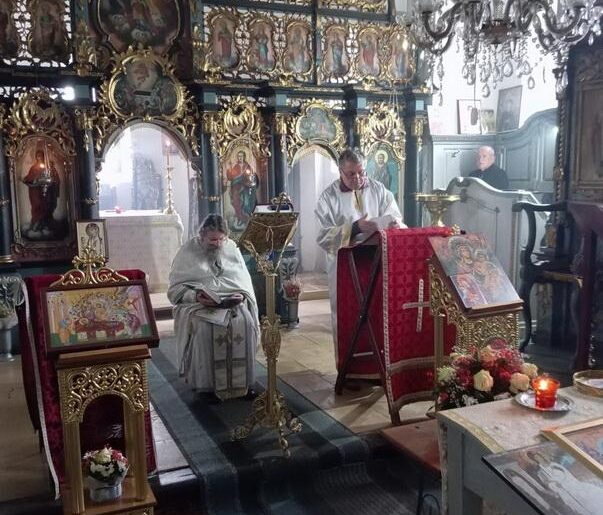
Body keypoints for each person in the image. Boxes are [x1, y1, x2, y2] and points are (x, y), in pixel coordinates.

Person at [315, 148, 404, 352]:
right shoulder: (328, 197)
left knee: (376, 311)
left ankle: (376, 362)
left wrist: (393, 224)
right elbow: (322, 235)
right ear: (340, 172)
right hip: (345, 264)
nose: (357, 178)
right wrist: (355, 228)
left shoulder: (378, 189)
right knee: (348, 314)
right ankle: (348, 364)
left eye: (361, 172)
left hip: (375, 260)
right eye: (351, 174)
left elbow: (395, 217)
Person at [168, 214, 259, 401]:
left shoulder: (231, 248)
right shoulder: (187, 252)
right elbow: (175, 290)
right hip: (198, 305)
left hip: (231, 303)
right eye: (212, 240)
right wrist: (196, 296)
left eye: (220, 239)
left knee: (246, 323)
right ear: (202, 235)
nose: (217, 244)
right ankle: (207, 387)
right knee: (204, 329)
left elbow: (242, 281)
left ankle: (243, 384)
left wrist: (241, 295)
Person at [22, 148, 60, 233]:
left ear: (43, 157)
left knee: (48, 206)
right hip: (36, 192)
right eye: (37, 156)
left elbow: (55, 178)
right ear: (36, 157)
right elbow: (30, 177)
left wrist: (53, 182)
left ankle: (47, 223)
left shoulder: (49, 167)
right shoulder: (34, 168)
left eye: (41, 156)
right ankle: (37, 224)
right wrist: (30, 179)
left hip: (48, 192)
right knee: (38, 206)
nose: (39, 158)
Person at [226, 150, 258, 228]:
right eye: (239, 156)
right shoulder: (235, 166)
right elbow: (231, 177)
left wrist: (247, 180)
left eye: (241, 156)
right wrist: (229, 169)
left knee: (246, 204)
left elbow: (251, 177)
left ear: (244, 157)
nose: (240, 158)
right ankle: (240, 219)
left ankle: (246, 219)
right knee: (237, 204)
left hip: (245, 189)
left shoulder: (247, 166)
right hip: (236, 189)